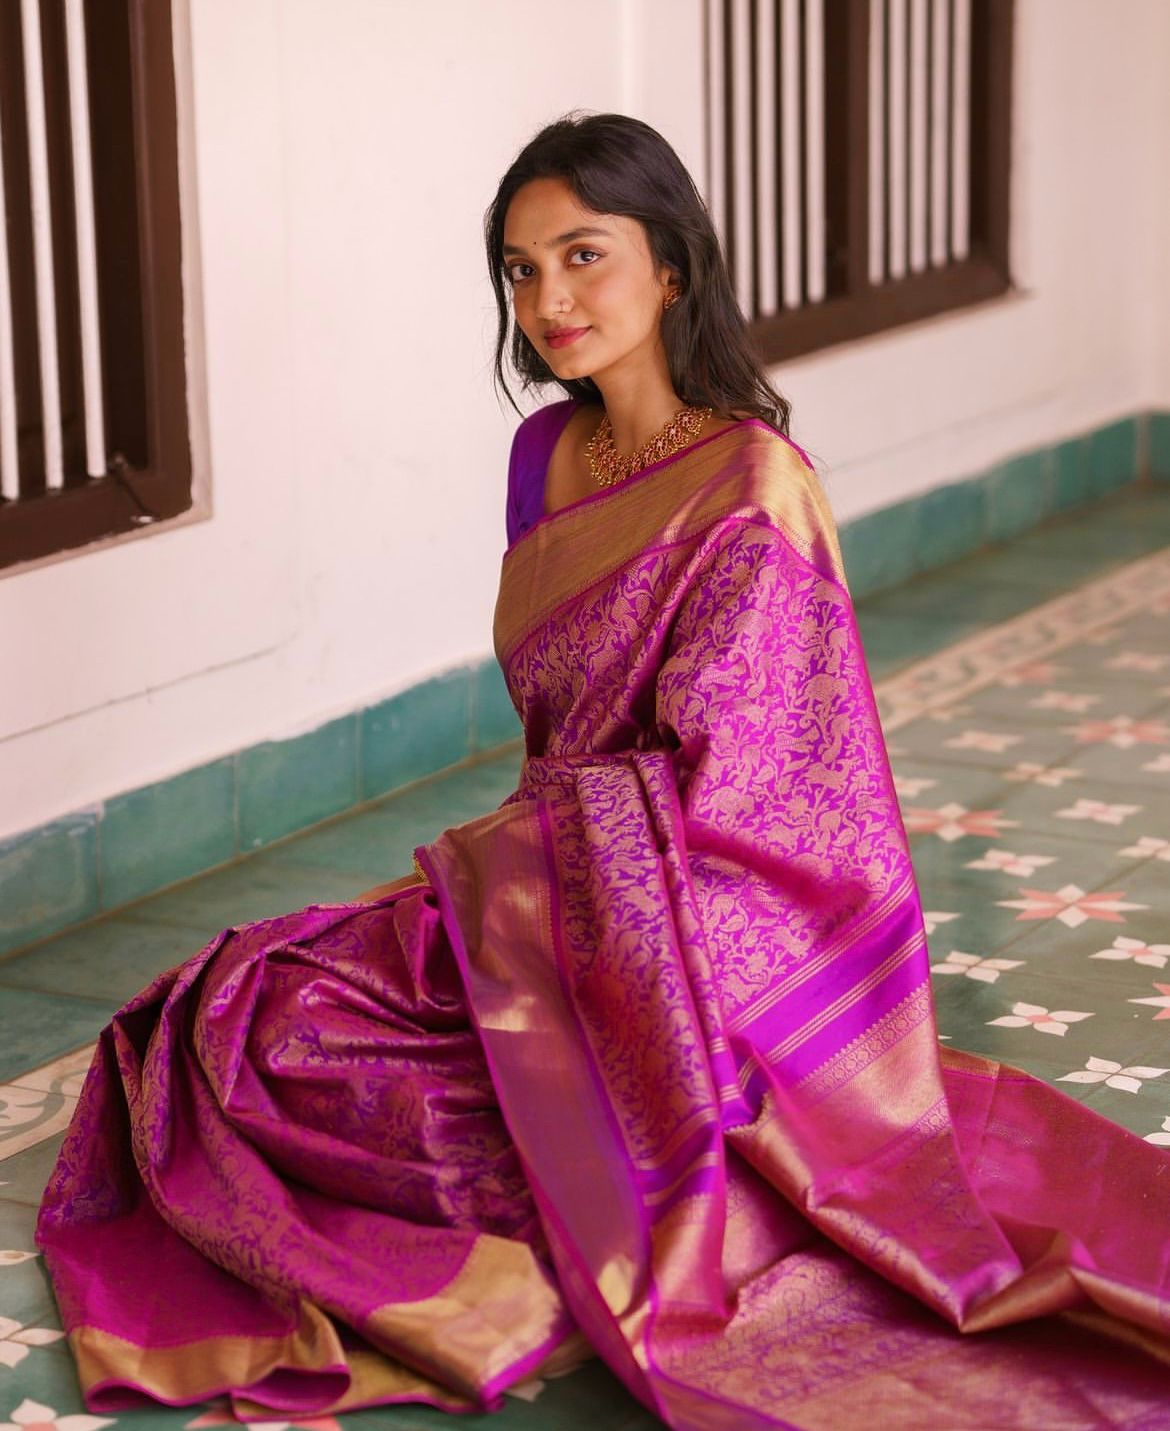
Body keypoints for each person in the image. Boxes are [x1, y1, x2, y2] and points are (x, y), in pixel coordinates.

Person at [35, 111, 1170, 1431]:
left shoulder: (750, 486)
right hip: (535, 909)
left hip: (680, 948)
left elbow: (770, 805)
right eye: (520, 270)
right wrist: (511, 888)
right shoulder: (544, 455)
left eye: (583, 256)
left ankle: (629, 1180)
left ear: (671, 266)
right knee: (247, 1021)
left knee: (416, 1116)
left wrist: (535, 877)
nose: (550, 299)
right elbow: (557, 746)